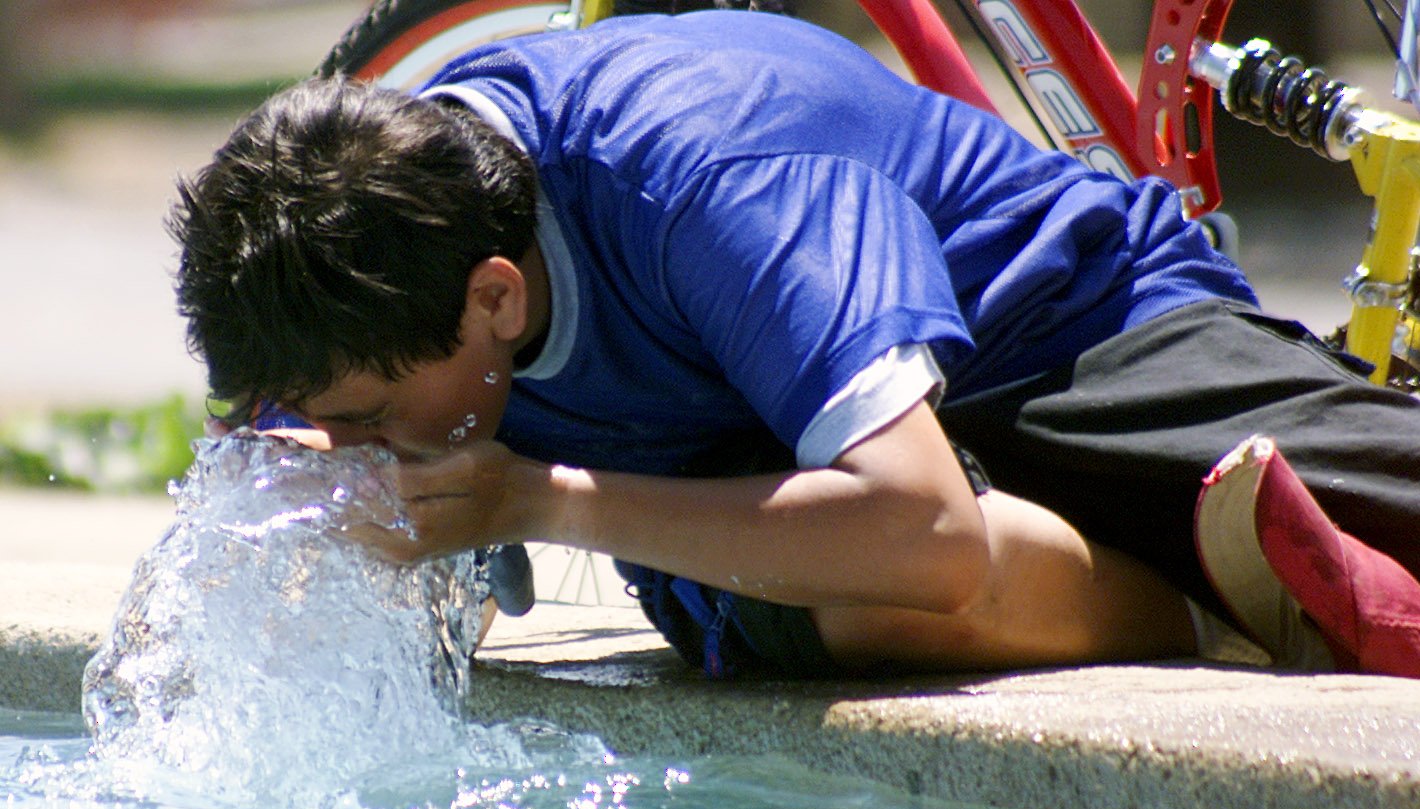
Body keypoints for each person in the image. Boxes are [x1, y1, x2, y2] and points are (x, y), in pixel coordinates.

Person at [170, 10, 1420, 680]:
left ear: (498, 299)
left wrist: (530, 497)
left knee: (1387, 494)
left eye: (373, 416)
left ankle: (1218, 563)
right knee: (864, 603)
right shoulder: (362, 286)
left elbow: (920, 532)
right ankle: (1226, 611)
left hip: (1064, 338)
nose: (349, 446)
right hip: (785, 458)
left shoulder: (702, 175)